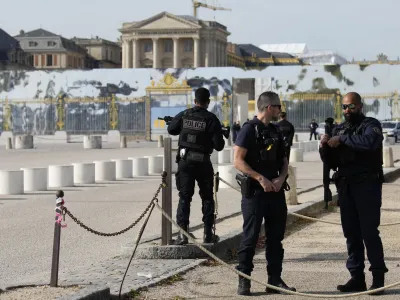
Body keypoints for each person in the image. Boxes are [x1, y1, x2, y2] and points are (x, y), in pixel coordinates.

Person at [320, 92, 388, 295]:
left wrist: (342, 139)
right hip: (346, 186)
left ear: (359, 106)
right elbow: (331, 161)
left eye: (351, 107)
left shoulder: (370, 124)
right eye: (344, 107)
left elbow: (369, 143)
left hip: (367, 186)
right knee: (351, 234)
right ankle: (357, 278)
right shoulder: (339, 128)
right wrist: (325, 145)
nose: (347, 111)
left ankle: (378, 278)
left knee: (369, 233)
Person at [233, 91, 296, 296]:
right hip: (255, 194)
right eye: (278, 107)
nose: (280, 110)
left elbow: (285, 161)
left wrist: (280, 179)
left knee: (275, 239)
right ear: (269, 107)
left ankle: (274, 280)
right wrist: (260, 178)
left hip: (275, 193)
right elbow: (238, 160)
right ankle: (245, 280)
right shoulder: (249, 130)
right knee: (250, 237)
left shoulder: (277, 131)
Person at [167, 87, 225, 245]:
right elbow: (219, 146)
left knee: (184, 197)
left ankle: (182, 235)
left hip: (185, 163)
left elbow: (171, 129)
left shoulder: (185, 114)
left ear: (195, 101)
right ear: (208, 102)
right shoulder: (211, 119)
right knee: (207, 198)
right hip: (203, 163)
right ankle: (208, 234)